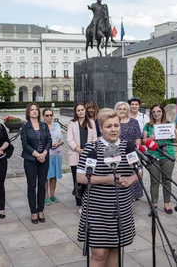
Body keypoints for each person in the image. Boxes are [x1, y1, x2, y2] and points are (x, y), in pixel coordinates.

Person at [77, 108, 137, 266]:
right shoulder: (91, 149)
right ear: (101, 128)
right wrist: (107, 179)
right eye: (109, 126)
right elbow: (81, 177)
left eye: (116, 125)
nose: (114, 129)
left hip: (121, 206)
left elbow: (139, 171)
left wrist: (131, 179)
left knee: (115, 249)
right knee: (99, 253)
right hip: (97, 207)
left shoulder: (128, 147)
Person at [21, 103, 52, 224]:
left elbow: (49, 140)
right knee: (32, 186)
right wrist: (37, 155)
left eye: (36, 110)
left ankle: (41, 210)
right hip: (31, 160)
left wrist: (44, 153)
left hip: (44, 159)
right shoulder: (25, 127)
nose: (34, 111)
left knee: (42, 185)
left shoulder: (44, 125)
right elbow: (25, 144)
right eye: (31, 110)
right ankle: (33, 211)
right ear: (28, 112)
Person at [143, 104, 177, 214]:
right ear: (151, 113)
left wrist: (176, 135)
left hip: (168, 154)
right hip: (153, 155)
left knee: (167, 180)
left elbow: (175, 141)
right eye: (153, 112)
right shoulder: (148, 126)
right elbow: (144, 141)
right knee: (154, 181)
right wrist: (150, 138)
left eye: (158, 111)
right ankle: (154, 204)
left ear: (163, 112)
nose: (156, 114)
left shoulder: (169, 124)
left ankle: (167, 204)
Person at [67, 103, 97, 214]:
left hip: (89, 156)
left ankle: (89, 202)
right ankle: (79, 204)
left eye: (82, 110)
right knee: (77, 180)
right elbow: (69, 139)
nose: (81, 112)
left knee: (89, 179)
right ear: (75, 112)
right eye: (78, 110)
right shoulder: (72, 123)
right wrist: (78, 149)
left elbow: (94, 139)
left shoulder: (92, 123)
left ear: (85, 110)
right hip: (76, 155)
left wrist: (88, 150)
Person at [115, 101, 142, 200]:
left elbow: (138, 137)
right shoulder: (114, 123)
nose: (122, 111)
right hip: (118, 153)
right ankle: (121, 194)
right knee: (120, 172)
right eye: (120, 109)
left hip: (131, 151)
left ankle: (134, 194)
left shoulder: (134, 122)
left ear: (127, 110)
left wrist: (137, 149)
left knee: (133, 172)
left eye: (124, 109)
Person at [43, 108, 64, 205]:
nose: (49, 117)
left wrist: (58, 143)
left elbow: (62, 139)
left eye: (51, 115)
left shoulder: (57, 125)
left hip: (56, 154)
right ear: (43, 116)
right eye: (47, 115)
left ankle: (52, 194)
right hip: (47, 155)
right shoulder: (42, 126)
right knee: (46, 176)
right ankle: (45, 196)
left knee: (54, 176)